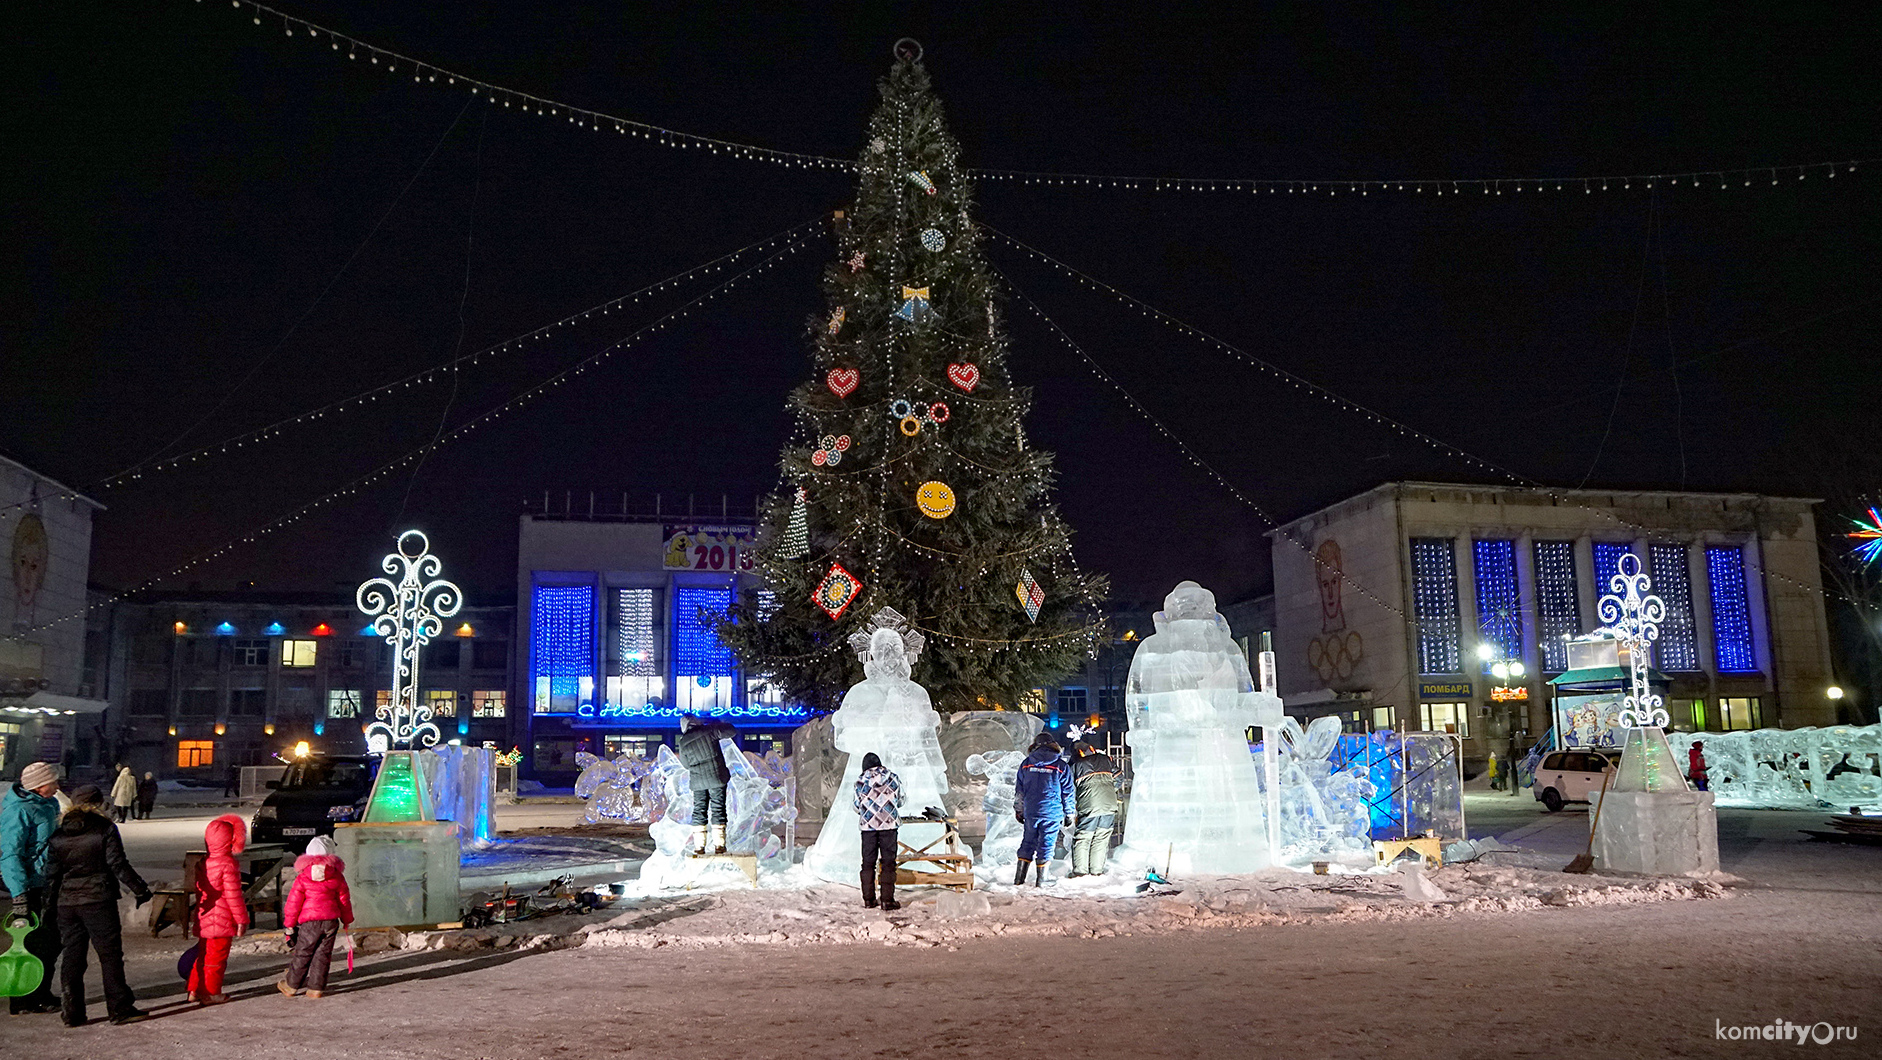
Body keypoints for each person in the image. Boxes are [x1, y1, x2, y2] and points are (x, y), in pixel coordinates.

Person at [44, 784, 151, 1026]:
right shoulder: (105, 829)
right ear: (97, 804)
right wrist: (140, 889)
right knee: (109, 955)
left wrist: (48, 905)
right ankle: (119, 1008)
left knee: (72, 956)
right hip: (98, 900)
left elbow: (52, 875)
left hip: (67, 904)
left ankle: (72, 1013)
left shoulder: (58, 835)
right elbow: (117, 864)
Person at [1, 761, 64, 1015]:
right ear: (39, 786)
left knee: (50, 941)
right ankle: (25, 998)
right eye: (53, 782)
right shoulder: (18, 811)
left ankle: (39, 992)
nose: (58, 786)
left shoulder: (48, 804)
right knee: (35, 943)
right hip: (31, 886)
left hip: (47, 880)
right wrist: (19, 895)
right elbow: (10, 855)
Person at [278, 835, 353, 999]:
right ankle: (316, 988)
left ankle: (291, 984)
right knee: (323, 955)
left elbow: (293, 903)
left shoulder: (303, 878)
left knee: (303, 953)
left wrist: (289, 925)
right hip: (331, 922)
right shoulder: (337, 876)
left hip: (310, 922)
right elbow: (344, 900)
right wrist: (347, 919)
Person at [188, 814, 250, 1004]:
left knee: (203, 956)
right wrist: (241, 919)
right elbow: (233, 896)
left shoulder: (203, 863)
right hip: (221, 920)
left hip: (204, 917)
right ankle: (211, 992)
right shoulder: (228, 865)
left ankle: (194, 989)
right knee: (216, 960)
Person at [1013, 733, 1074, 887]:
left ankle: (1019, 879)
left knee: (1028, 842)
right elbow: (1067, 792)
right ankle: (1042, 880)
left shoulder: (1026, 764)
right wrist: (1070, 813)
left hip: (1031, 811)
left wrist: (1019, 810)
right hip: (1051, 812)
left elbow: (1019, 790)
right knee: (1046, 844)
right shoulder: (1060, 766)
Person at [676, 714, 736, 855]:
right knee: (718, 809)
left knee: (699, 810)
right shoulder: (709, 730)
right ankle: (719, 845)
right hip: (717, 777)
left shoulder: (683, 742)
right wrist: (719, 724)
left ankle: (699, 846)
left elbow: (685, 765)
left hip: (697, 782)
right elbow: (732, 731)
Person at [852, 752, 903, 910]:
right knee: (888, 863)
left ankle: (869, 900)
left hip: (868, 828)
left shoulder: (860, 781)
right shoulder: (892, 777)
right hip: (889, 826)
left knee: (867, 863)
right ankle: (887, 900)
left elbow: (855, 806)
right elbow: (901, 800)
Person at [1067, 740, 1120, 878]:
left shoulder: (1075, 766)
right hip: (1109, 805)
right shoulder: (1105, 760)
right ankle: (1096, 871)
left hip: (1089, 806)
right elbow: (1120, 779)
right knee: (1101, 838)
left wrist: (1072, 808)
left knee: (1083, 838)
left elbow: (1069, 789)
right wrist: (1108, 791)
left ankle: (1080, 872)